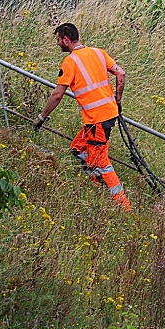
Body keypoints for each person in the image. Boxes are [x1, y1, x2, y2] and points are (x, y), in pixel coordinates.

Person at [32, 23, 131, 212]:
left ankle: (123, 207)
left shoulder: (70, 62)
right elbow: (121, 73)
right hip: (105, 115)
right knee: (77, 148)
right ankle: (99, 188)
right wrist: (117, 100)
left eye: (58, 40)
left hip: (97, 120)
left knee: (101, 161)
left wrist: (42, 117)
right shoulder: (99, 53)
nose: (57, 43)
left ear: (66, 40)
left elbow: (57, 95)